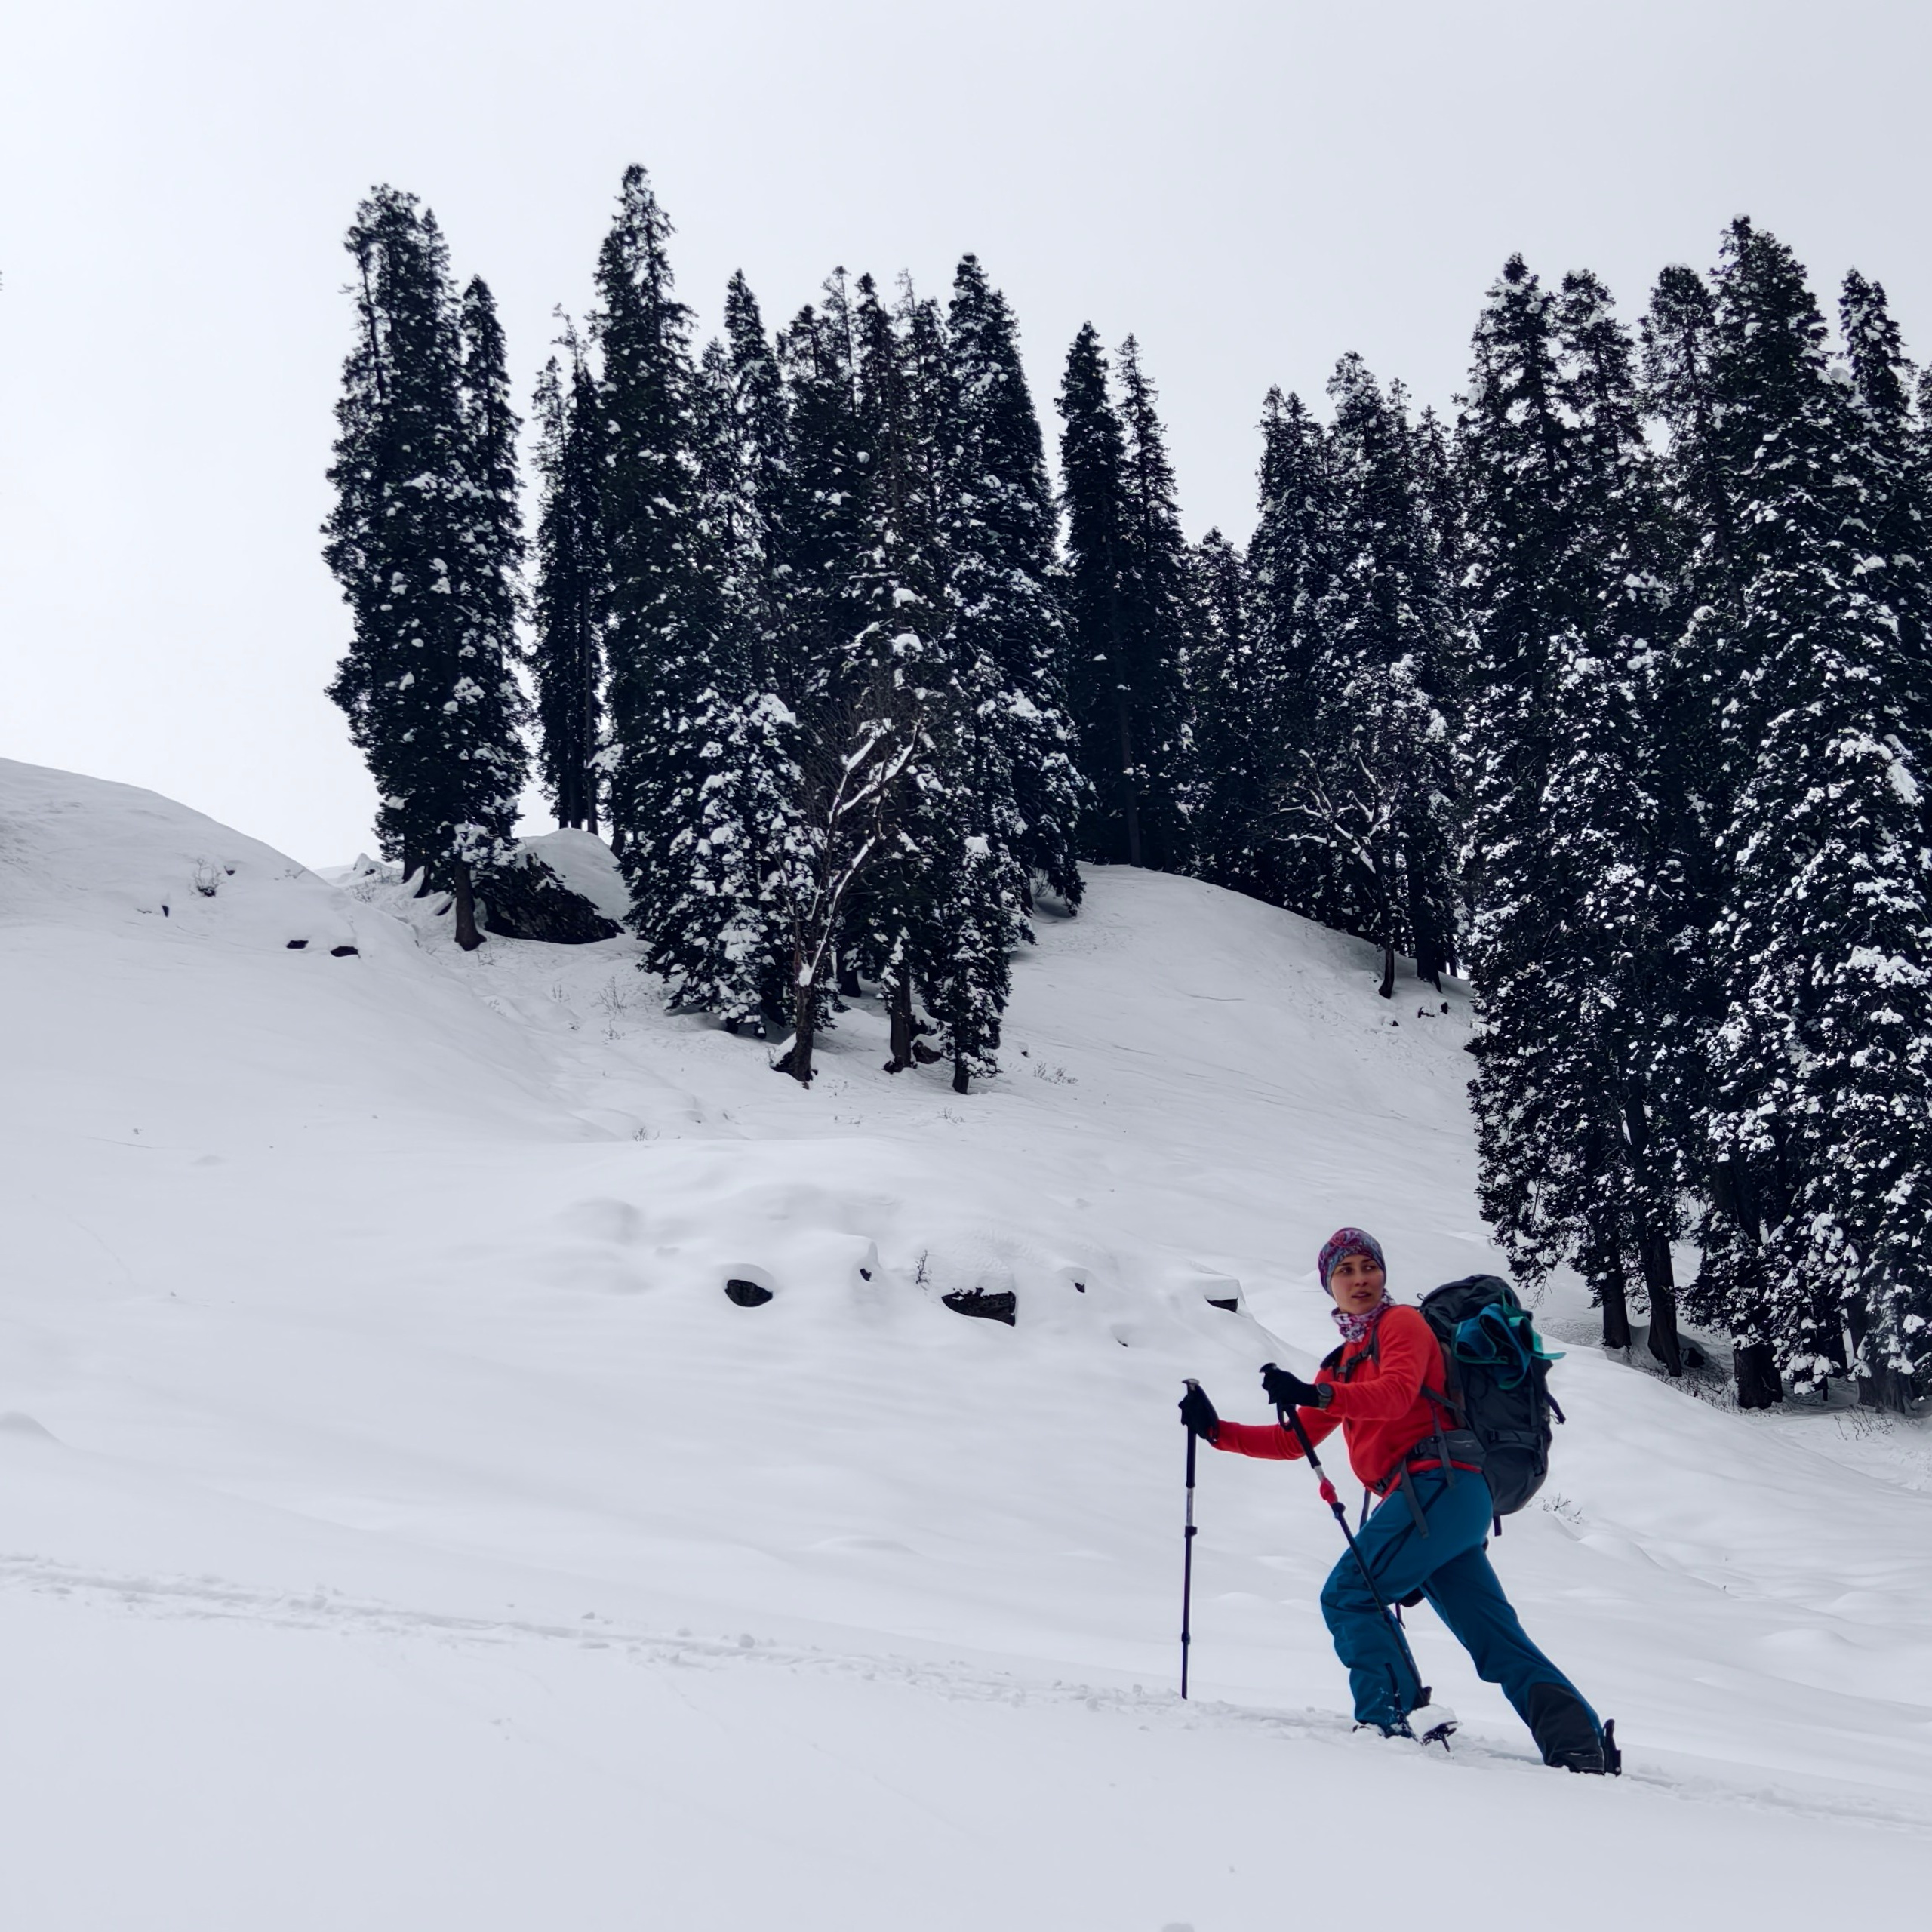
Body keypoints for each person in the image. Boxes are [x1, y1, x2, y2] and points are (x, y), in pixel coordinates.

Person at [1180, 1226, 1615, 1773]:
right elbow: (1295, 1441)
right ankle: (1580, 1742)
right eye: (1345, 1270)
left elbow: (1396, 1395)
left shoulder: (1402, 1325)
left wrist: (1315, 1393)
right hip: (1437, 1500)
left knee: (1348, 1595)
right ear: (1328, 1284)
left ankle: (1392, 1722)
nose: (1360, 1279)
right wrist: (1217, 1430)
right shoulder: (1343, 1361)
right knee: (1492, 1634)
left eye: (1368, 1266)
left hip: (1440, 1483)